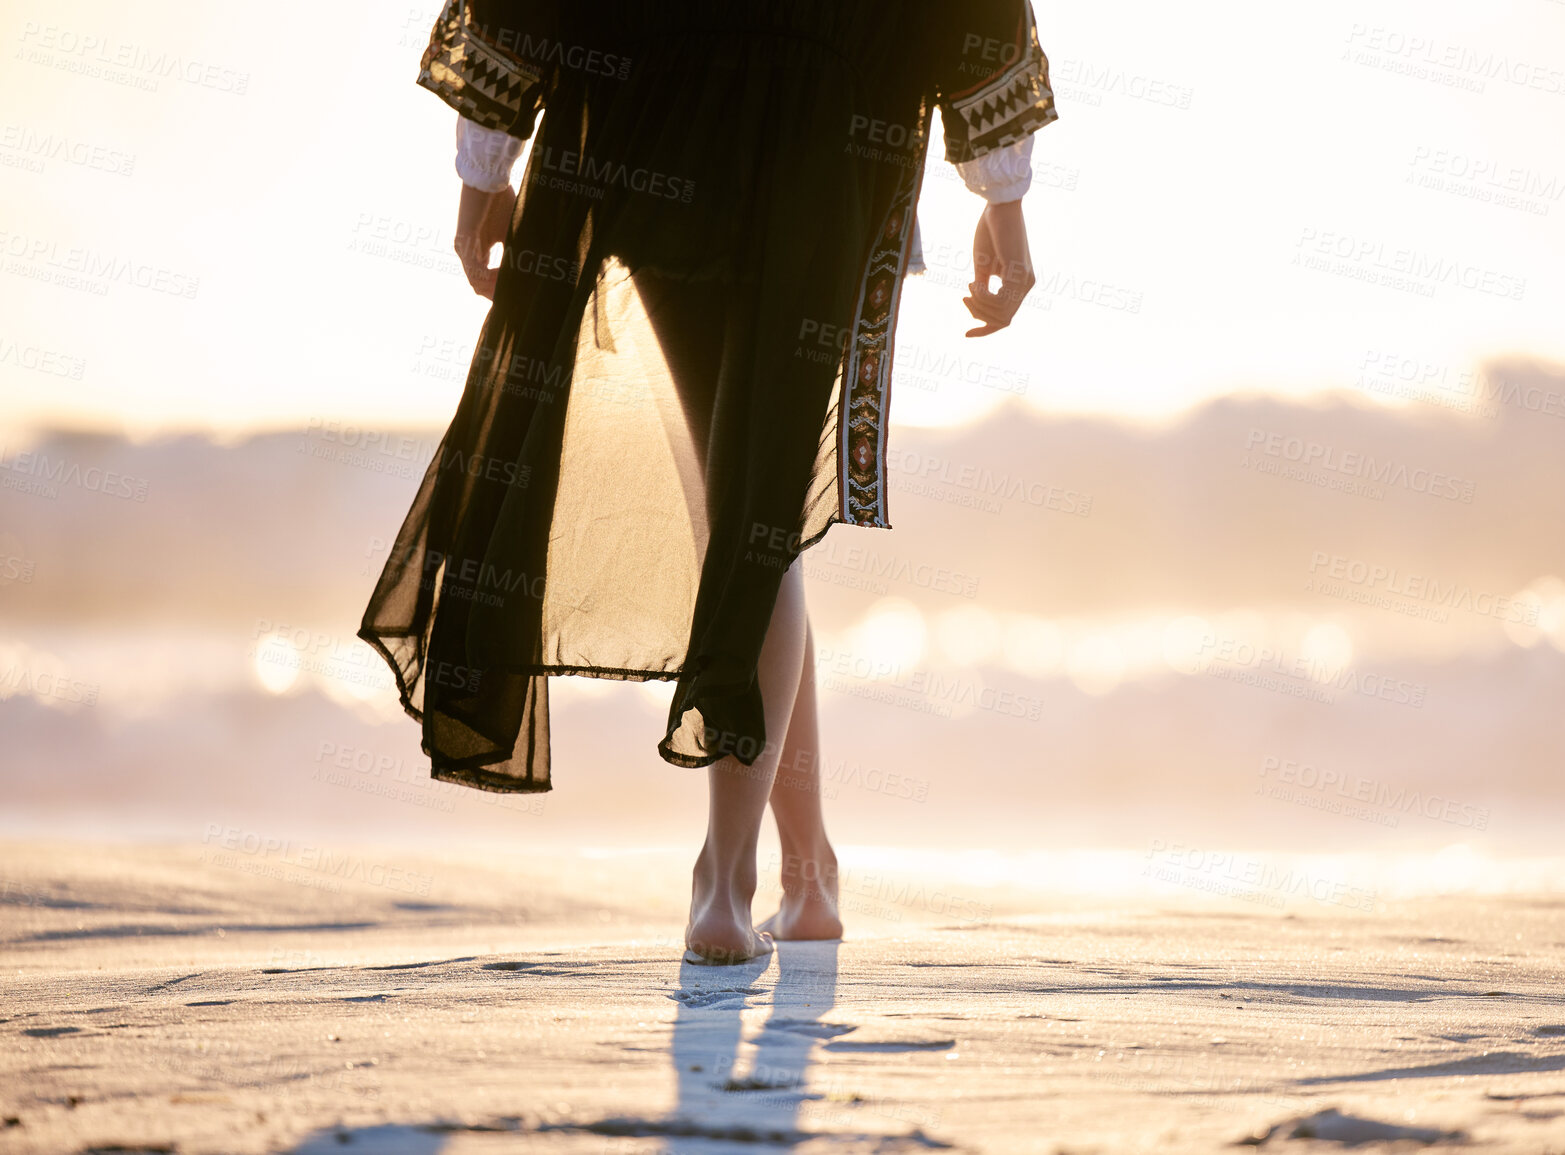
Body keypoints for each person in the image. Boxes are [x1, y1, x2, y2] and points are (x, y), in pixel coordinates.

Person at [358, 0, 1058, 964]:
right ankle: (794, 878)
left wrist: (486, 166)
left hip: (655, 115)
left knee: (749, 511)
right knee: (754, 509)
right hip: (828, 122)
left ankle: (736, 880)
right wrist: (1001, 197)